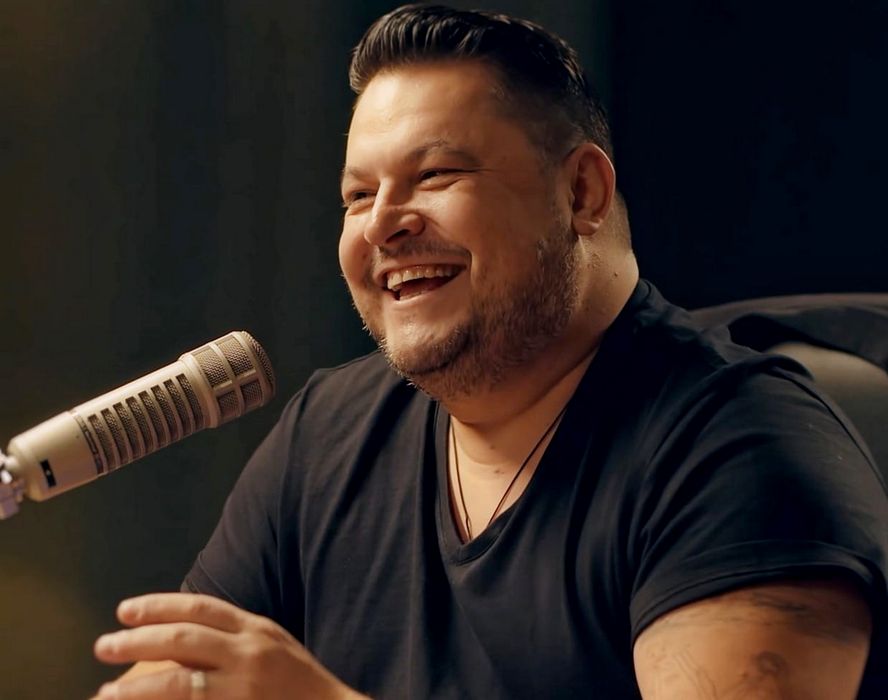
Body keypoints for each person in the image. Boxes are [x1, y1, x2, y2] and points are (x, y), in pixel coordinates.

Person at [90, 4, 888, 698]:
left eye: (435, 174)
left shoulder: (742, 451)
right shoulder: (325, 436)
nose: (383, 224)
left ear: (581, 193)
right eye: (358, 195)